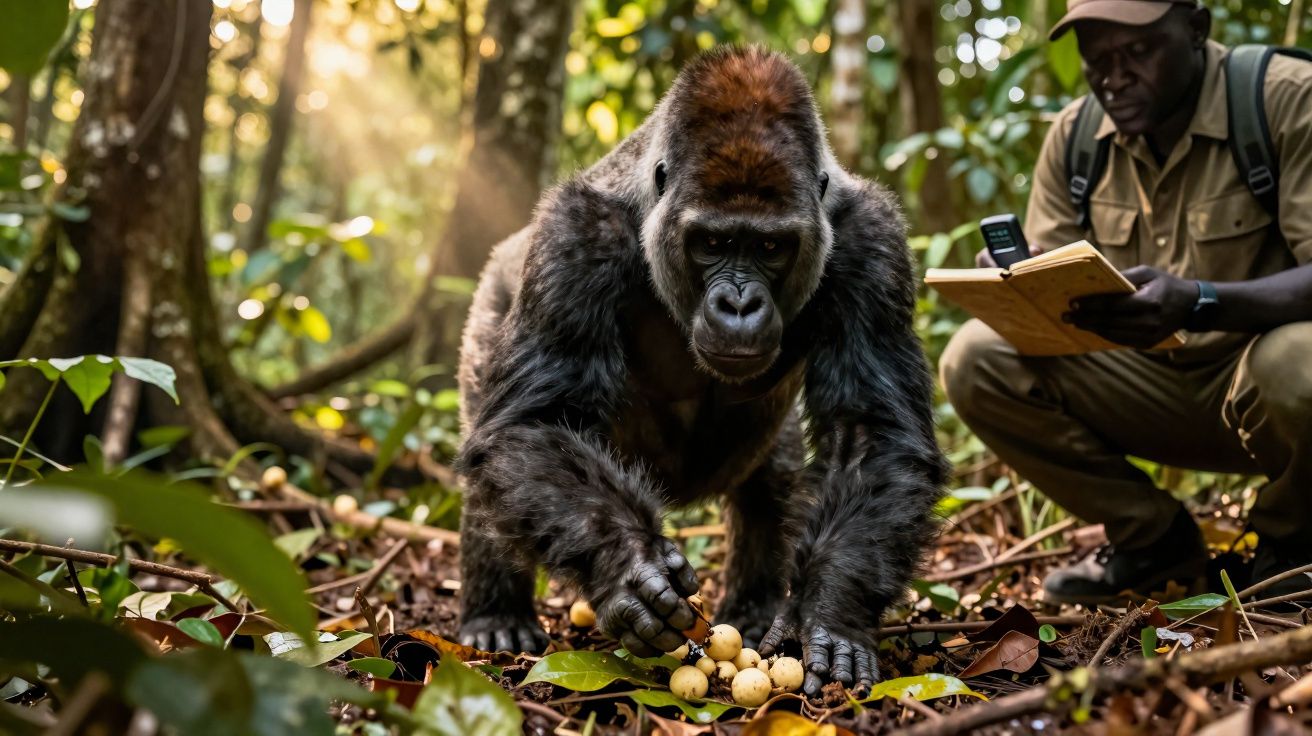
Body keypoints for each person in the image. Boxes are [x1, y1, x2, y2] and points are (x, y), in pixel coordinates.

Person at [939, 0, 1312, 605]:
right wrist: (1024, 283)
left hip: (1265, 391)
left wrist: (1201, 300)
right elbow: (1051, 309)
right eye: (1097, 60)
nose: (1115, 77)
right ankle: (1154, 543)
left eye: (1138, 52)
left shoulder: (1285, 98)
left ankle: (1290, 546)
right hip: (1144, 391)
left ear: (1196, 28)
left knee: (1300, 359)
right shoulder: (1077, 139)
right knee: (975, 358)